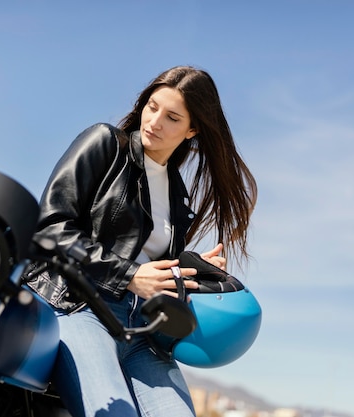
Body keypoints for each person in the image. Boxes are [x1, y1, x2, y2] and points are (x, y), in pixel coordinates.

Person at [27, 65, 257, 417]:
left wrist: (192, 269)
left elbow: (148, 262)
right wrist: (130, 275)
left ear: (192, 130)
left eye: (172, 117)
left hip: (143, 329)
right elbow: (50, 227)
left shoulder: (176, 192)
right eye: (152, 107)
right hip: (78, 305)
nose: (154, 122)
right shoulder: (105, 144)